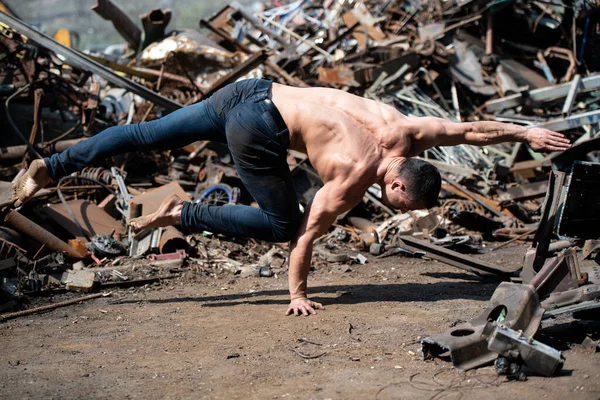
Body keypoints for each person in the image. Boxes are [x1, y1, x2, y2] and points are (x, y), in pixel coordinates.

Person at [11, 79, 571, 316]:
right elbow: (302, 237)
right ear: (399, 184)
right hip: (258, 127)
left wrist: (524, 133)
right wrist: (298, 292)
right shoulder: (356, 177)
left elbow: (471, 130)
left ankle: (47, 168)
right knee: (282, 222)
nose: (397, 209)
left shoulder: (406, 127)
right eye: (404, 205)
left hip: (252, 90)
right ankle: (188, 211)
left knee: (144, 134)